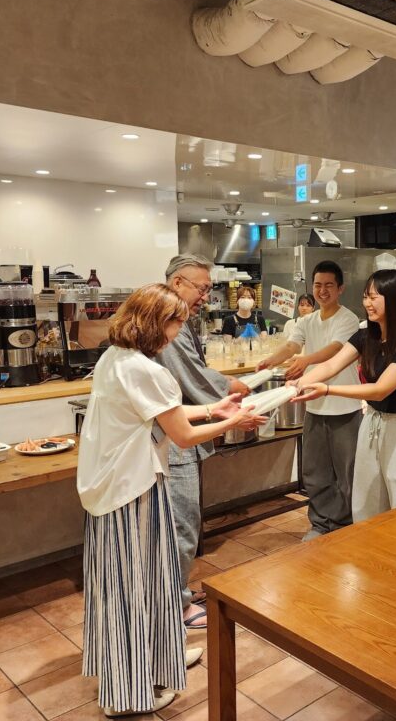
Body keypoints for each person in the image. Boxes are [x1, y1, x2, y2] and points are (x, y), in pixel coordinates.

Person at [77, 283, 259, 717]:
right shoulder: (144, 369)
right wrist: (235, 421)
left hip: (118, 486)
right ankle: (126, 695)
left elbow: (162, 412)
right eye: (177, 323)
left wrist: (216, 409)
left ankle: (160, 658)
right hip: (131, 490)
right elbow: (182, 435)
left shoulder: (115, 358)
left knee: (148, 581)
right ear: (155, 323)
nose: (178, 333)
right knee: (134, 588)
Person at [155, 254, 252, 631]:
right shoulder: (169, 323)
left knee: (182, 523)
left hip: (177, 431)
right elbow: (190, 377)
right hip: (173, 439)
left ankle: (175, 593)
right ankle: (175, 606)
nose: (206, 297)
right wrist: (227, 389)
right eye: (202, 288)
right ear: (177, 283)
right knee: (181, 524)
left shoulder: (174, 321)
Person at [295, 269, 396, 521]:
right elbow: (331, 365)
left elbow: (379, 390)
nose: (367, 303)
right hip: (373, 423)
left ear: (394, 298)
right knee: (367, 498)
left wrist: (328, 389)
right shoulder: (367, 334)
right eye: (366, 296)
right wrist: (299, 383)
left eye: (374, 297)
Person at [258, 261, 362, 540]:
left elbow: (336, 350)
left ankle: (345, 524)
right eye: (318, 285)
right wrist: (271, 360)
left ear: (340, 289)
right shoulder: (306, 321)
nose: (322, 291)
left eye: (329, 285)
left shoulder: (349, 319)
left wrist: (306, 361)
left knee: (347, 472)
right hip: (314, 407)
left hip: (345, 406)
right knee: (316, 471)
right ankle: (321, 523)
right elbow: (292, 345)